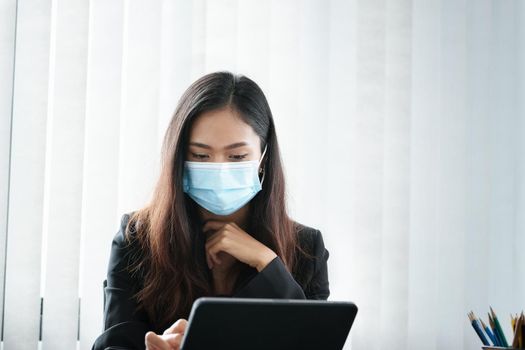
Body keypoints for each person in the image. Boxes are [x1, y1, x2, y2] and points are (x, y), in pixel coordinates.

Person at [91, 71, 330, 350]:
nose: (219, 167)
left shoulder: (306, 249)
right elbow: (115, 342)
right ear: (179, 157)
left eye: (237, 156)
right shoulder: (137, 238)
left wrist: (267, 263)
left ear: (263, 159)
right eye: (200, 155)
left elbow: (311, 341)